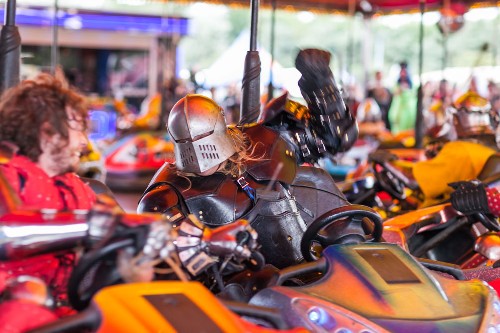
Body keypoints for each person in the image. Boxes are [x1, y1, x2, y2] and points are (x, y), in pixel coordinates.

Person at [138, 49, 359, 269]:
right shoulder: (165, 196)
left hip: (316, 267)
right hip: (247, 293)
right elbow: (166, 259)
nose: (202, 160)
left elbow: (334, 137)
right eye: (191, 148)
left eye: (205, 145)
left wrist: (319, 82)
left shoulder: (263, 141)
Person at [0, 74, 115, 325]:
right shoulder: (7, 179)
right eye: (76, 129)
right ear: (47, 132)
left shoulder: (78, 188)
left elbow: (119, 234)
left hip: (77, 314)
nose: (83, 142)